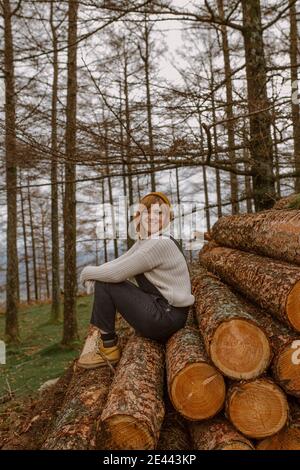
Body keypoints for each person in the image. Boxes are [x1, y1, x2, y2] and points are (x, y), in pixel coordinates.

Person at [77, 191, 195, 369]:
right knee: (104, 278)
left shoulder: (159, 243)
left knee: (106, 282)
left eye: (159, 213)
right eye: (147, 212)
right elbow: (118, 263)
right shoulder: (146, 242)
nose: (153, 217)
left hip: (167, 318)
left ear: (167, 218)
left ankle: (108, 347)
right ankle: (106, 343)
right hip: (164, 311)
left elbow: (116, 274)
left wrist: (87, 272)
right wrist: (95, 272)